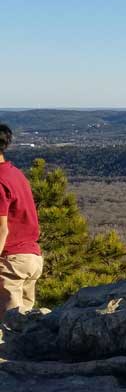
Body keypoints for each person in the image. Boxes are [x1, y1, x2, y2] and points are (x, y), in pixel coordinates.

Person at [0, 124, 44, 320]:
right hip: (31, 259)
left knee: (8, 327)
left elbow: (2, 230)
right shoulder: (15, 174)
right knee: (25, 328)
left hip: (11, 263)